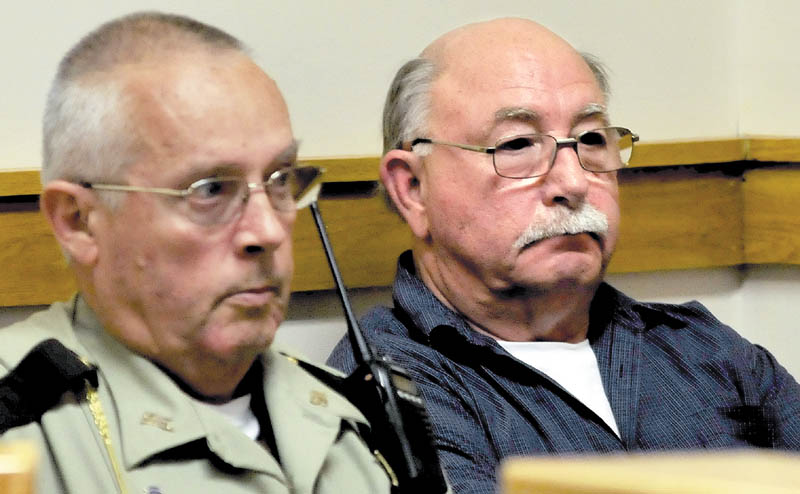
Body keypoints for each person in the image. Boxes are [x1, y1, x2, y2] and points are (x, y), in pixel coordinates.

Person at [327, 17, 800, 494]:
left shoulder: (700, 348)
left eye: (592, 140)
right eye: (517, 144)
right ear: (412, 188)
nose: (574, 183)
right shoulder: (389, 387)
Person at [0, 12, 392, 493]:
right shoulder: (19, 427)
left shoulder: (366, 416)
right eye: (210, 190)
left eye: (281, 179)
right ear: (79, 221)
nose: (268, 230)